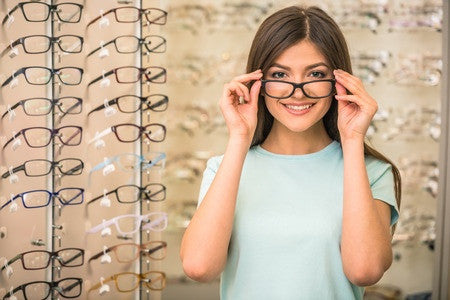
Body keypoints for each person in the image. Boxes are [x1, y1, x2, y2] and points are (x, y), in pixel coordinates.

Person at [180, 5, 401, 300]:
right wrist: (239, 136)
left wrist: (352, 139)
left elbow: (365, 270)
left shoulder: (371, 172)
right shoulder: (224, 168)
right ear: (258, 82)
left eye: (316, 74)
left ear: (340, 81)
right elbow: (199, 267)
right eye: (280, 74)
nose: (298, 92)